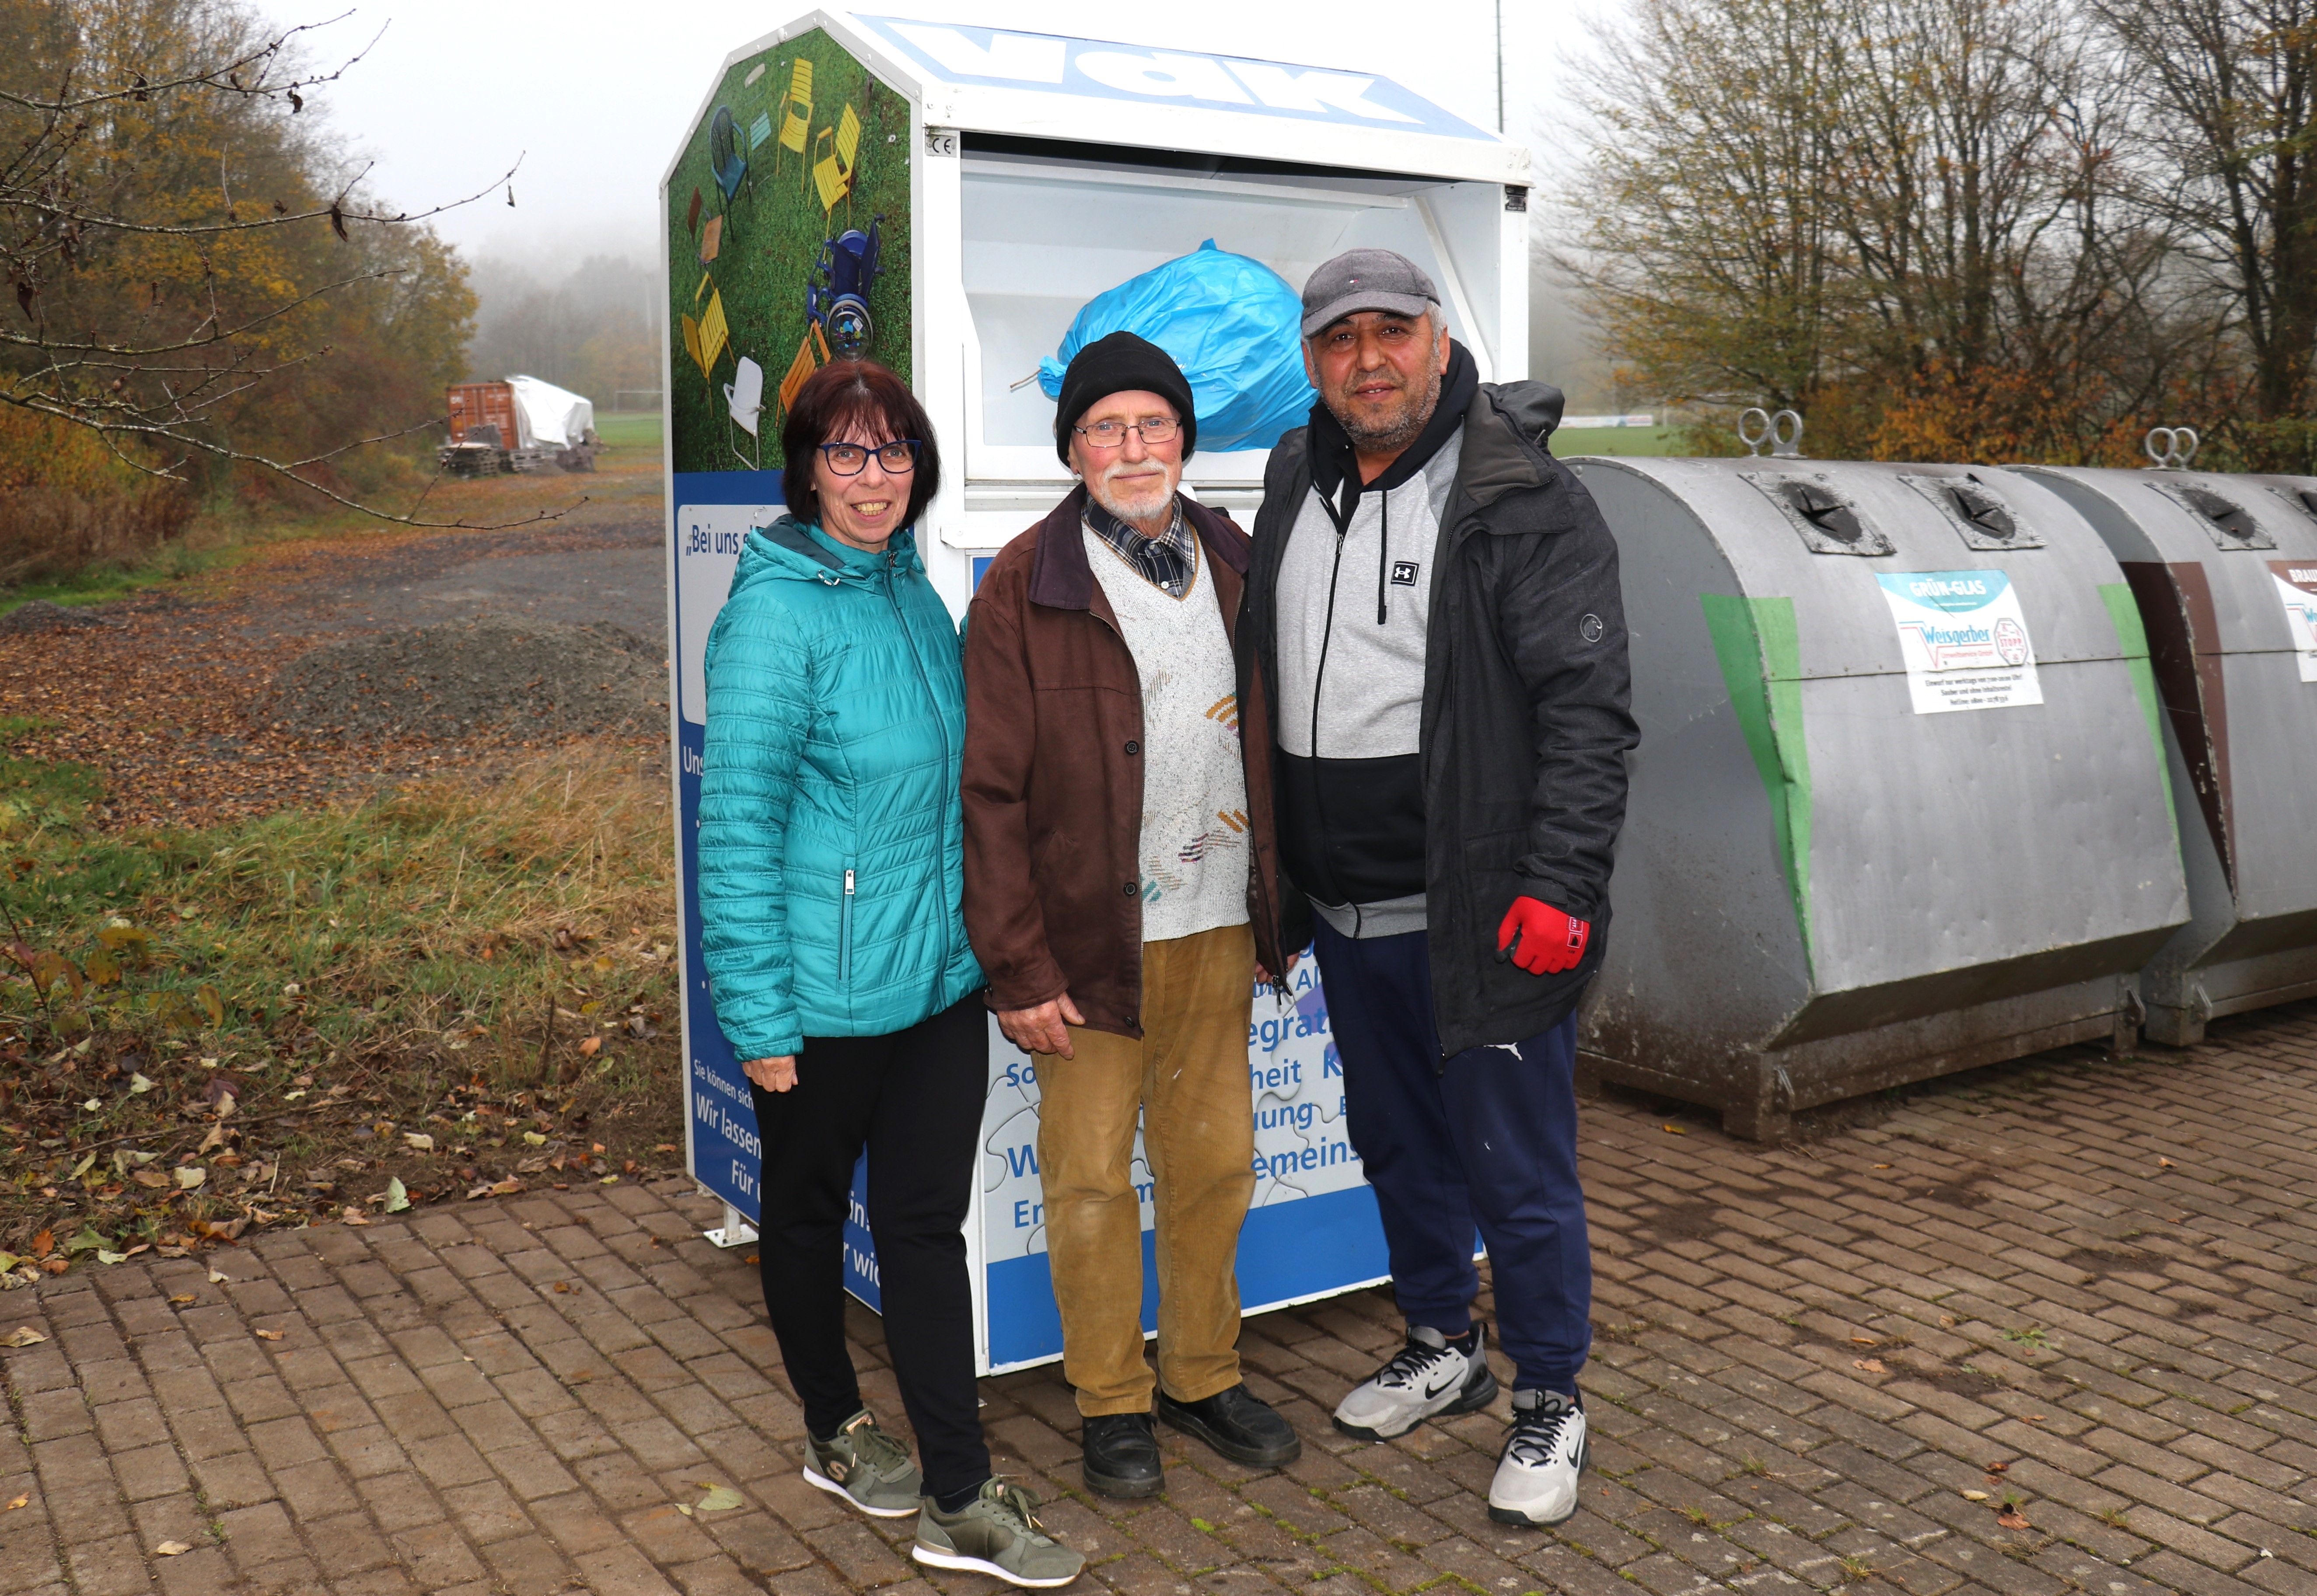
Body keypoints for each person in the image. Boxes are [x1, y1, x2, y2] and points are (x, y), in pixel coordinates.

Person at [1243, 251, 1638, 1528]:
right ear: (1311, 361)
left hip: (1484, 910)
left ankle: (1550, 1394)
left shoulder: (1520, 494)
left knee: (1514, 1168)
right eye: (1339, 338)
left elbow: (1589, 712)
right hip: (1347, 908)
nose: (1367, 358)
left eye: (1389, 333)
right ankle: (1439, 1339)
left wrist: (1560, 880)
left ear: (1436, 338)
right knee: (1398, 1144)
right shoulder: (1293, 476)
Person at [697, 359, 1083, 1588]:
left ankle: (959, 1495)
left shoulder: (912, 589)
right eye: (850, 454)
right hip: (816, 1001)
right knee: (807, 1219)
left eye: (896, 452)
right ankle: (831, 1426)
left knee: (924, 1231)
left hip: (936, 983)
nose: (877, 477)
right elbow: (739, 826)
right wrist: (757, 1014)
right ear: (807, 466)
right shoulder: (772, 612)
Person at [961, 332, 1306, 1500]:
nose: (1131, 447)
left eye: (1151, 424)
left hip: (1216, 924)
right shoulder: (1026, 579)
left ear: (1182, 439)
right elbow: (990, 792)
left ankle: (1201, 1375)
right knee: (1092, 1179)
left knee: (1213, 1163)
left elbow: (1280, 738)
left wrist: (1283, 903)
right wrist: (1016, 966)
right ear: (1071, 449)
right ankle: (1110, 1398)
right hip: (1083, 944)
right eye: (1104, 428)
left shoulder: (1237, 557)